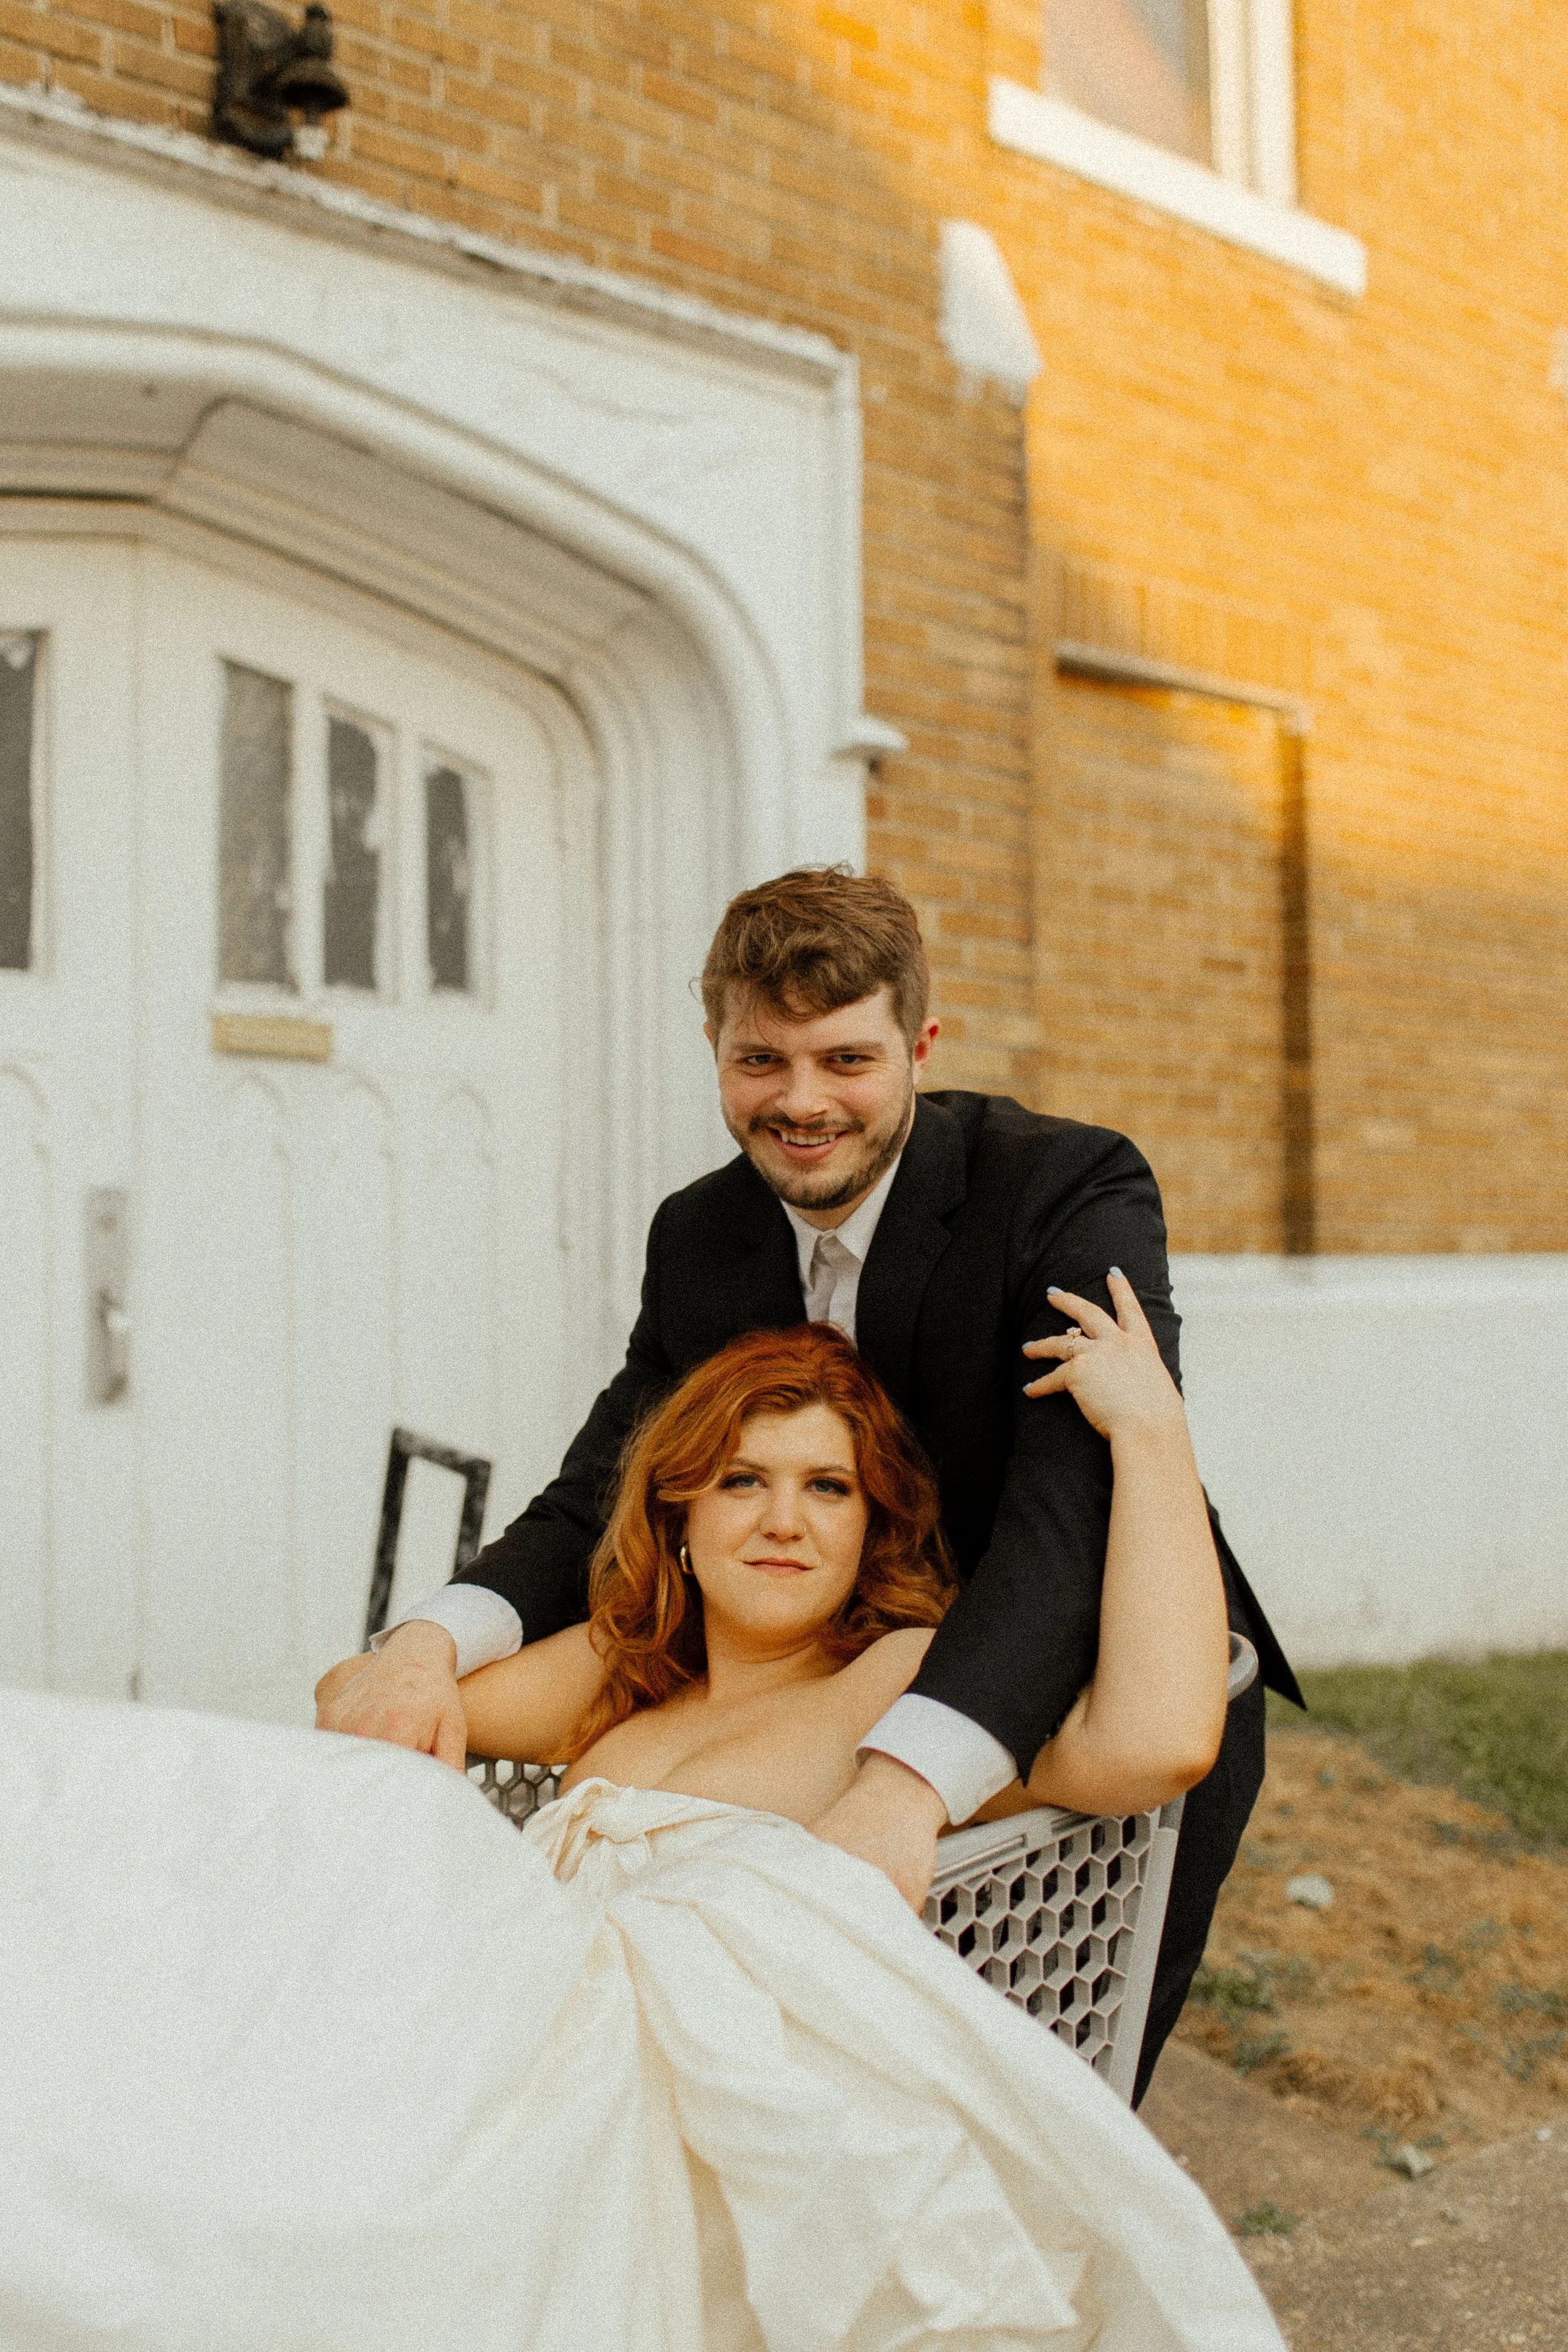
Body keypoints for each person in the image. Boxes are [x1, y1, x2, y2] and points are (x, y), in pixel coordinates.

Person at [1, 1315, 1286, 2350]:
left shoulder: (900, 1681)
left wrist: (1152, 1440)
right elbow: (366, 1713)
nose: (782, 1520)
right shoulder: (622, 1674)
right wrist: (411, 1654)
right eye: (742, 1481)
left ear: (870, 1522)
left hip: (625, 2076)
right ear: (679, 1508)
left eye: (825, 1489)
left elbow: (1160, 1735)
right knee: (163, 1850)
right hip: (482, 2029)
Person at [319, 867, 1299, 2102]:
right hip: (816, 1677)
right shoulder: (699, 1234)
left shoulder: (1060, 1186)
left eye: (844, 1060)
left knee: (1031, 2091)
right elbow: (603, 1488)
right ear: (716, 1049)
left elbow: (1068, 1510)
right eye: (760, 1061)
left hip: (1079, 1675)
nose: (799, 1102)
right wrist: (420, 1642)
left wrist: (903, 1781)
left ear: (918, 1046)